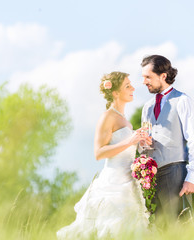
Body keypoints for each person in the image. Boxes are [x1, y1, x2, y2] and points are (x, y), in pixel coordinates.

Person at [56, 72, 151, 239]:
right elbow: (99, 153)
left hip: (130, 184)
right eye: (127, 86)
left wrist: (140, 143)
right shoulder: (107, 117)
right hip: (113, 184)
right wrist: (130, 141)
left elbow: (125, 147)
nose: (133, 88)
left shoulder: (124, 119)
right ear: (115, 93)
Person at [140, 55, 194, 227]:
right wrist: (143, 145)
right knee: (158, 227)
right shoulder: (147, 107)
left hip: (175, 171)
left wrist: (193, 177)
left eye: (148, 77)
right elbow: (145, 141)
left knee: (178, 227)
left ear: (163, 75)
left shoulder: (183, 101)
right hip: (152, 177)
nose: (144, 82)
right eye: (143, 77)